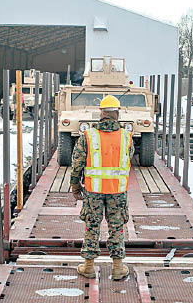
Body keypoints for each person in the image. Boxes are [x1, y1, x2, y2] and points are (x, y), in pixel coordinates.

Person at [70, 95, 134, 280]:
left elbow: (77, 163)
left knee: (92, 226)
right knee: (116, 227)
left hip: (93, 191)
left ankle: (89, 266)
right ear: (117, 113)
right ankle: (118, 267)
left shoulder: (88, 136)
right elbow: (129, 157)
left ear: (101, 113)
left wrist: (76, 185)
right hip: (117, 191)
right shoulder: (126, 136)